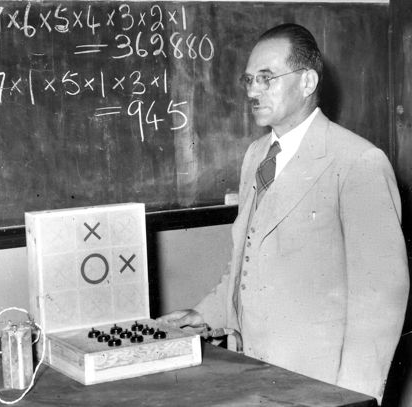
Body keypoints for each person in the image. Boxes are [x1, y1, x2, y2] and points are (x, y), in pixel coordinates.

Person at [158, 23, 409, 404]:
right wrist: (207, 313)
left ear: (307, 82)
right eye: (248, 80)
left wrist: (353, 398)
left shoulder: (358, 161)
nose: (253, 91)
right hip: (251, 372)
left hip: (318, 384)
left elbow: (380, 298)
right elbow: (247, 259)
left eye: (266, 78)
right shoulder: (256, 156)